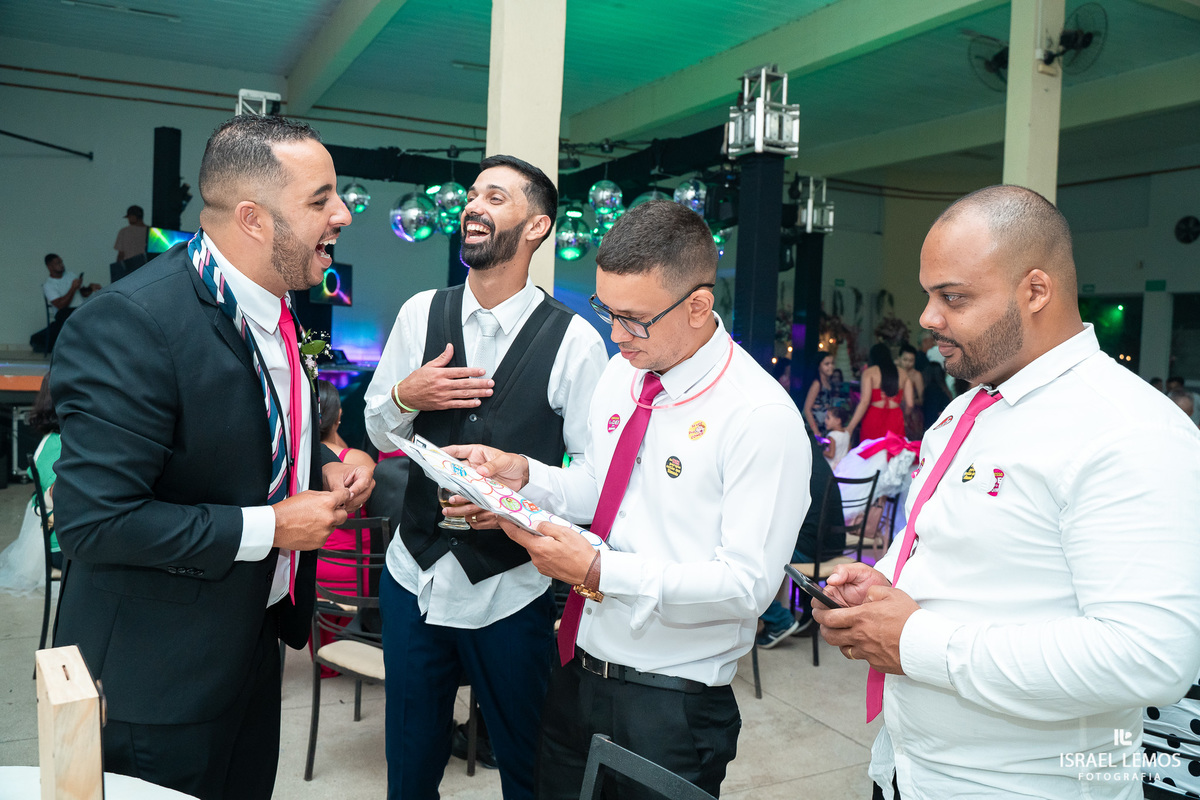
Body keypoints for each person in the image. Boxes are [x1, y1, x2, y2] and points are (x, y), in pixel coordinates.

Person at [812, 185, 1200, 800]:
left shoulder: (1128, 429)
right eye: (928, 294)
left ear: (1036, 291)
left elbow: (1149, 657)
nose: (928, 318)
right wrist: (882, 586)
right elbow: (956, 558)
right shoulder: (964, 411)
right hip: (909, 769)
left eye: (953, 297)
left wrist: (915, 641)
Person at [50, 114, 375, 800]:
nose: (342, 215)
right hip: (156, 674)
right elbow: (94, 523)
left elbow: (250, 422)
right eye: (320, 200)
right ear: (254, 219)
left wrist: (324, 458)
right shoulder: (132, 323)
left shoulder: (277, 306)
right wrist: (272, 527)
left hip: (250, 644)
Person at [443, 200, 811, 799]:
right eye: (606, 311)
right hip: (578, 664)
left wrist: (599, 570)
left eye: (633, 319)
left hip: (670, 699)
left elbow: (749, 585)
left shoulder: (757, 416)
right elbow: (599, 489)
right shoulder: (624, 374)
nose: (615, 335)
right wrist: (521, 475)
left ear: (698, 306)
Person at [363, 154, 608, 800]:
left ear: (536, 227)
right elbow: (376, 431)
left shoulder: (576, 342)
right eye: (472, 194)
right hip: (411, 579)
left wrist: (521, 482)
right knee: (408, 778)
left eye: (495, 197)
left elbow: (594, 484)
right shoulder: (421, 314)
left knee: (530, 776)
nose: (474, 205)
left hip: (510, 595)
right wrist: (406, 397)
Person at [312, 379, 377, 676]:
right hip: (353, 576)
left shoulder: (299, 460)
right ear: (339, 416)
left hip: (313, 573)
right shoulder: (356, 461)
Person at [757, 432, 840, 648]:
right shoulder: (818, 461)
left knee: (754, 555)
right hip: (832, 545)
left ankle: (778, 619)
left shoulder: (798, 463)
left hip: (811, 549)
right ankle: (805, 611)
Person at [0, 375, 61, 593]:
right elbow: (60, 499)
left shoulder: (48, 441)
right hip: (59, 548)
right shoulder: (60, 446)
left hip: (43, 539)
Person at [847, 343, 913, 442]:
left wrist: (850, 428)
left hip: (873, 418)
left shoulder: (869, 372)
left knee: (871, 452)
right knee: (893, 454)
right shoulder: (903, 374)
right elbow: (910, 404)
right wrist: (906, 417)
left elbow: (864, 402)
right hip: (896, 418)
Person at [42, 253, 100, 351]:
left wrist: (90, 288)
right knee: (68, 315)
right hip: (64, 313)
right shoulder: (49, 285)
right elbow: (61, 305)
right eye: (57, 263)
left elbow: (82, 293)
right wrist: (72, 288)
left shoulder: (71, 275)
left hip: (80, 309)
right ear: (49, 266)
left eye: (61, 262)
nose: (61, 265)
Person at [803, 352, 836, 435]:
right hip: (814, 429)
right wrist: (815, 431)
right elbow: (807, 409)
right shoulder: (817, 384)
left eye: (832, 363)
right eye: (826, 364)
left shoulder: (828, 382)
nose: (830, 366)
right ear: (819, 366)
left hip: (823, 426)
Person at [896, 343, 924, 439]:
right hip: (895, 411)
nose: (908, 363)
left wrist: (908, 402)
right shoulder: (894, 372)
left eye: (911, 360)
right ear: (899, 358)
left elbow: (921, 399)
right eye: (905, 360)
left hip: (912, 415)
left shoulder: (916, 375)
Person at [822, 405, 851, 469]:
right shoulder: (847, 434)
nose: (825, 420)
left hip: (831, 467)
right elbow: (848, 451)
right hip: (842, 467)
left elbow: (831, 455)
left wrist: (822, 451)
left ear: (838, 421)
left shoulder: (832, 435)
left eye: (828, 418)